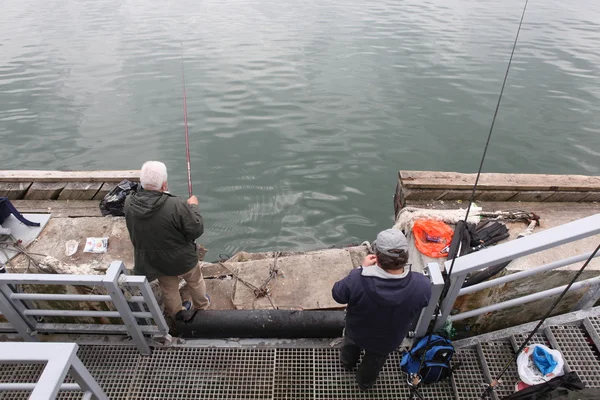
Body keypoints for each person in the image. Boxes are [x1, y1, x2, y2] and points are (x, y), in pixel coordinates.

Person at [332, 228, 432, 391]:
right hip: (388, 340)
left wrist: (360, 269)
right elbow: (423, 301)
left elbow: (337, 294)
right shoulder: (422, 285)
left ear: (377, 256)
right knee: (374, 362)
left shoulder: (357, 279)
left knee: (350, 347)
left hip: (357, 331)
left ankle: (347, 364)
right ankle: (364, 384)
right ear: (405, 256)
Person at [125, 161, 209, 322]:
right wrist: (193, 207)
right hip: (182, 258)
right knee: (195, 281)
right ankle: (202, 308)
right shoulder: (175, 204)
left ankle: (178, 314)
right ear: (164, 185)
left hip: (154, 261)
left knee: (169, 289)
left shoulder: (129, 202)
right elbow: (196, 229)